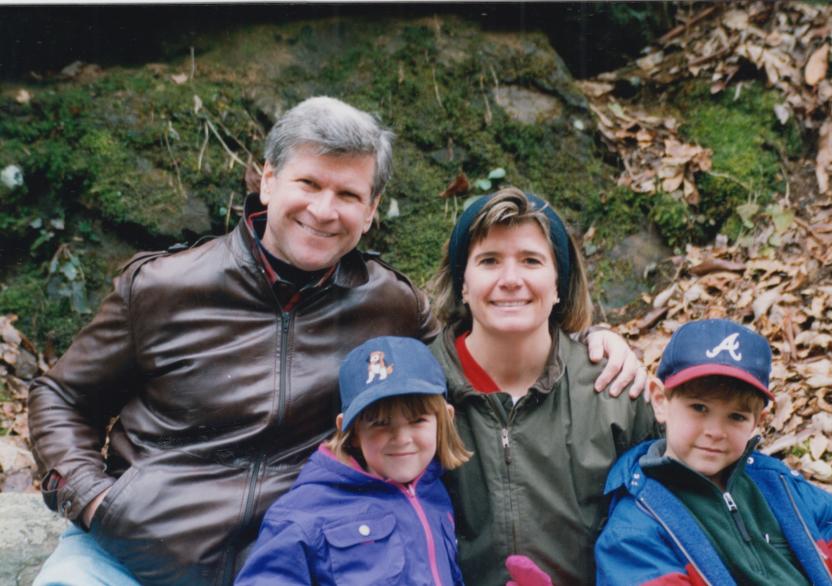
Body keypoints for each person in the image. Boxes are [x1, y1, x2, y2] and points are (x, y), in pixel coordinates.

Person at [28, 96, 644, 585]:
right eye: (309, 184)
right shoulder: (163, 285)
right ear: (267, 181)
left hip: (293, 557)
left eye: (348, 194)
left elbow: (490, 330)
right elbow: (60, 395)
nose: (325, 211)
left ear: (372, 210)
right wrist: (93, 499)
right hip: (125, 555)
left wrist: (589, 339)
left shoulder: (387, 303)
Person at [428, 187, 659, 586]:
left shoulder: (612, 388)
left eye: (531, 261)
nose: (511, 280)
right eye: (489, 261)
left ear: (558, 285)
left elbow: (665, 522)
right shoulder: (419, 388)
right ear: (463, 284)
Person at [595, 319, 832, 586]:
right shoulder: (634, 530)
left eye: (736, 416)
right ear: (661, 401)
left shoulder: (787, 490)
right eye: (699, 408)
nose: (715, 431)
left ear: (757, 422)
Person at [235, 336, 470, 585]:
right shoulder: (304, 511)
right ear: (351, 431)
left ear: (445, 418)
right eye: (380, 423)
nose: (402, 439)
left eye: (418, 420)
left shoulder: (436, 493)